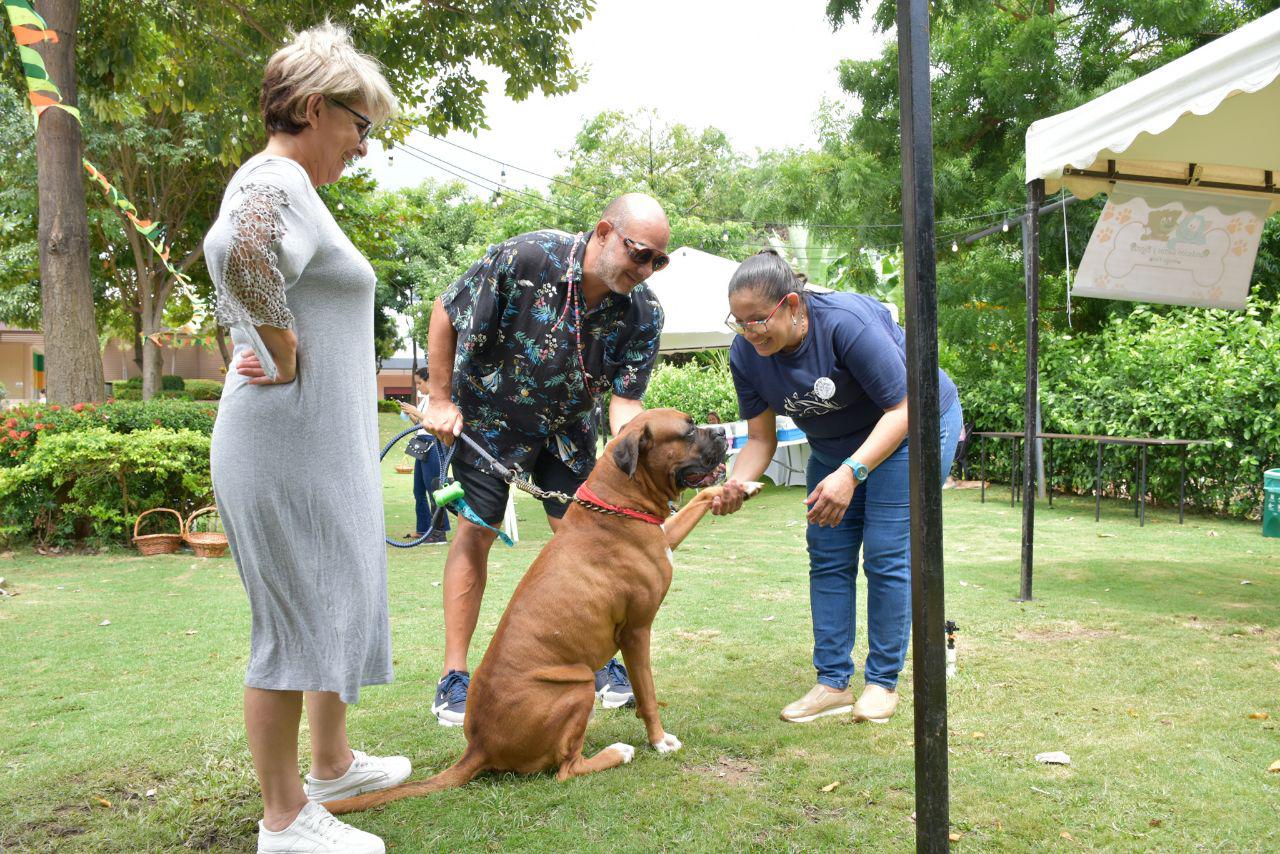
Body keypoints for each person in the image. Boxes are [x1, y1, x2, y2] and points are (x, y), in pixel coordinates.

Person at [206, 23, 408, 854]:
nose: (365, 146)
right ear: (320, 108)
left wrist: (269, 339)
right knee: (294, 623)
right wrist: (280, 353)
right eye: (362, 126)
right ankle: (285, 821)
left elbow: (257, 268)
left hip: (309, 446)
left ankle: (332, 766)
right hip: (281, 443)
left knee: (335, 600)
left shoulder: (294, 186)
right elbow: (239, 247)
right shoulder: (276, 179)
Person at [422, 194, 669, 726]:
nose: (646, 270)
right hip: (489, 419)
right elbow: (447, 310)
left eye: (657, 261)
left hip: (569, 428)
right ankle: (454, 678)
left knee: (583, 540)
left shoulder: (644, 313)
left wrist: (637, 450)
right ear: (604, 232)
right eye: (640, 253)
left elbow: (625, 401)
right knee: (476, 530)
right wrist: (439, 399)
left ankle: (598, 661)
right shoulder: (528, 257)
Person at [712, 250, 962, 725]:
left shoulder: (845, 323)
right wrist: (736, 483)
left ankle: (882, 683)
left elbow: (903, 409)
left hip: (911, 425)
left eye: (759, 320)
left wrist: (851, 473)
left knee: (887, 553)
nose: (750, 332)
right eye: (739, 322)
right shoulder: (745, 353)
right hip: (832, 444)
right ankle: (831, 683)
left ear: (791, 304)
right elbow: (761, 438)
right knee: (827, 554)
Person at [398, 366, 450, 544]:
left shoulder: (438, 399)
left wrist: (414, 411)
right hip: (421, 444)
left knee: (434, 489)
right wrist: (411, 413)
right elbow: (421, 423)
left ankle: (439, 532)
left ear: (429, 381)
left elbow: (432, 422)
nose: (418, 387)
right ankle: (423, 529)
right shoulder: (424, 400)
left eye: (420, 383)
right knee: (418, 490)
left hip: (433, 445)